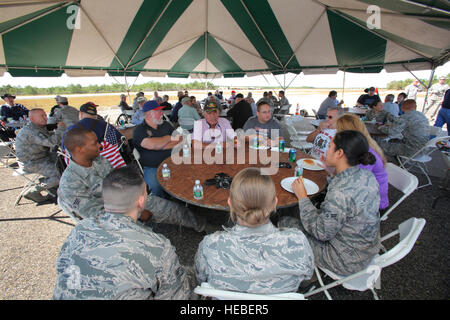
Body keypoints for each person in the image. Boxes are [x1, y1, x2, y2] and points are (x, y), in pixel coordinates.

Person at [53, 166, 193, 300]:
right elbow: (176, 296)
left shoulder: (78, 230)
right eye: (146, 192)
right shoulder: (158, 246)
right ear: (141, 201)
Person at [58, 127, 209, 233]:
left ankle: (204, 226)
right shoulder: (70, 184)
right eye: (94, 143)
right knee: (149, 241)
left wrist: (138, 196)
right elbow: (94, 216)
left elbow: (118, 180)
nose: (100, 146)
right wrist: (135, 213)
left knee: (173, 210)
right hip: (111, 223)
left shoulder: (100, 160)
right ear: (79, 149)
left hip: (128, 200)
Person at [195, 167, 314, 293]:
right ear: (275, 203)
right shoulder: (298, 243)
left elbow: (201, 280)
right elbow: (306, 277)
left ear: (230, 203)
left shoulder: (211, 245)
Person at [282, 130, 380, 276]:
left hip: (343, 260)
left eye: (329, 147)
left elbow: (321, 232)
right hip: (366, 249)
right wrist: (332, 173)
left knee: (284, 221)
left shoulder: (341, 191)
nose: (325, 150)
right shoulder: (367, 176)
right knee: (303, 211)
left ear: (339, 153)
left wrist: (302, 196)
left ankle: (303, 275)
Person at [336, 114, 389, 211]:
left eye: (338, 131)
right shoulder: (365, 144)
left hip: (372, 204)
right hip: (363, 194)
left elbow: (353, 185)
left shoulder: (365, 154)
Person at [14, 108, 65, 203]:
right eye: (42, 116)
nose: (46, 117)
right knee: (60, 175)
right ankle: (33, 191)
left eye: (45, 115)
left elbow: (48, 136)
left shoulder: (37, 127)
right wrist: (61, 129)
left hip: (41, 156)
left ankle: (52, 182)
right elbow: (51, 142)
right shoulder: (31, 131)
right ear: (32, 118)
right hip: (32, 162)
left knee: (64, 162)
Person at [133, 100, 181, 198]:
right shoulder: (139, 130)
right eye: (158, 111)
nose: (162, 113)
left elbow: (180, 139)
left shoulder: (166, 125)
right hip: (153, 167)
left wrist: (160, 145)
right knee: (155, 186)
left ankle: (180, 199)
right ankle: (164, 204)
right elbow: (150, 145)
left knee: (187, 177)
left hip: (173, 161)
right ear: (149, 114)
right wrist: (168, 138)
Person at [62, 102, 126, 169]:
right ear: (96, 115)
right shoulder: (106, 127)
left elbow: (65, 152)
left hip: (80, 171)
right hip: (110, 169)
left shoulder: (68, 132)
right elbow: (120, 142)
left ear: (80, 114)